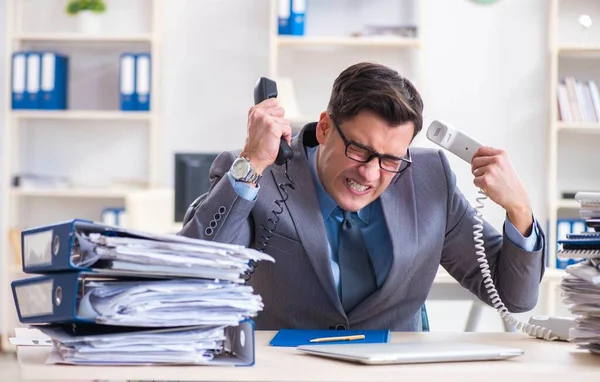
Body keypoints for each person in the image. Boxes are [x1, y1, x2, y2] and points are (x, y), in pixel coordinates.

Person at [179, 62, 545, 331]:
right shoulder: (257, 174)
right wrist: (252, 162)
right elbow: (193, 274)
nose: (369, 173)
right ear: (324, 128)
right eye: (358, 149)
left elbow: (514, 298)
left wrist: (519, 209)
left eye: (390, 159)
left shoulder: (431, 179)